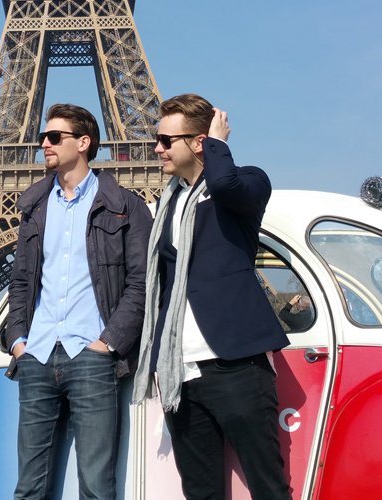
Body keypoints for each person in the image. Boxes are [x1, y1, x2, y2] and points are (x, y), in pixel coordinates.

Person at [133, 94, 291, 499]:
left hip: (235, 364)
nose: (157, 148)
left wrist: (219, 144)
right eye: (158, 139)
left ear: (198, 142)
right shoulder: (167, 203)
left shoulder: (246, 182)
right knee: (201, 492)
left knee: (267, 488)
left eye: (167, 141)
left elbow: (224, 182)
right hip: (180, 374)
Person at [6, 103, 152, 499]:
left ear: (83, 143)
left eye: (55, 137)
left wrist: (109, 343)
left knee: (96, 486)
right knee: (28, 487)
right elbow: (21, 279)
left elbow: (141, 281)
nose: (44, 143)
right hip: (36, 353)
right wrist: (18, 340)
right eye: (43, 137)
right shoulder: (33, 206)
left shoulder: (125, 205)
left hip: (92, 355)